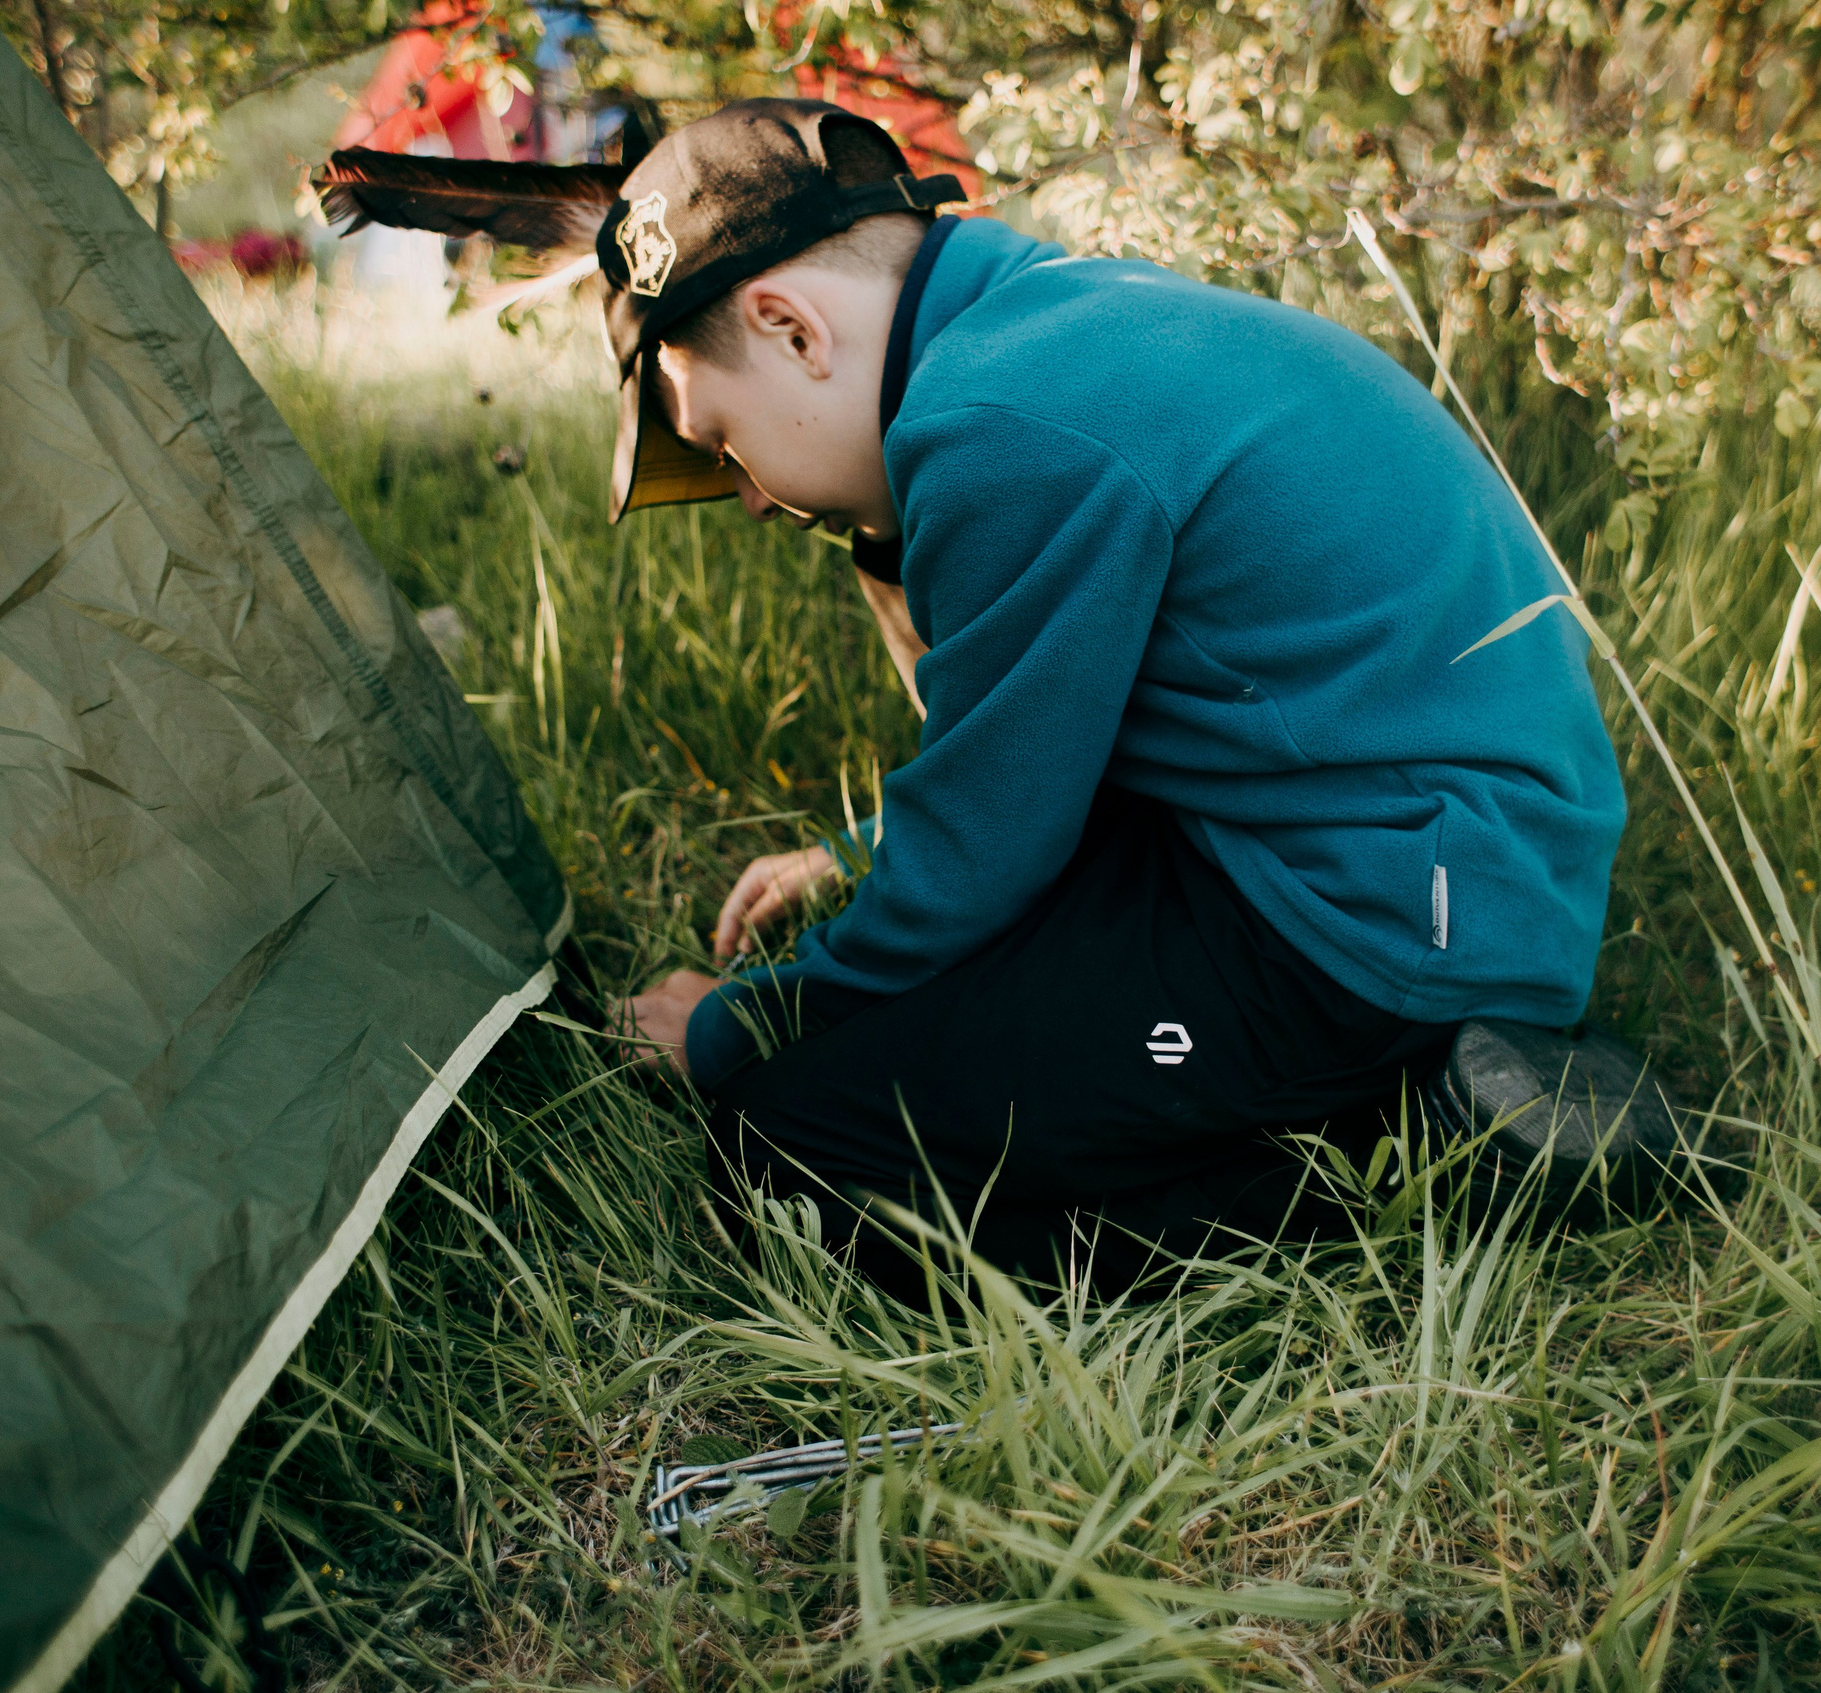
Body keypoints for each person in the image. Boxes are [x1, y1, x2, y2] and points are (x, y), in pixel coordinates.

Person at [577, 100, 1626, 1293]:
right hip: (1397, 848)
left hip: (1380, 919)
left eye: (718, 440)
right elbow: (1046, 746)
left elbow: (983, 856)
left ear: (791, 329)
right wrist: (861, 856)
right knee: (932, 1029)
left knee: (791, 1154)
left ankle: (1431, 1146)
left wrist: (736, 1028)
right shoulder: (1042, 325)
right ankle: (1419, 1084)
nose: (752, 498)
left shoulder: (990, 423)